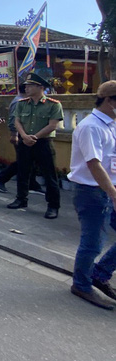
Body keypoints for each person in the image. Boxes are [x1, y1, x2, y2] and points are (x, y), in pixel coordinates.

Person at [67, 80, 116, 310]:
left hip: (108, 190)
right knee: (93, 243)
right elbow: (94, 164)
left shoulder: (111, 125)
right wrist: (113, 193)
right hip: (92, 192)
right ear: (109, 101)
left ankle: (100, 273)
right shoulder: (91, 127)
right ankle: (81, 285)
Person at [7, 72, 63, 219]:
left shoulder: (53, 105)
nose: (27, 88)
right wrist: (24, 136)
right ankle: (21, 199)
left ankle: (53, 205)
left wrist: (35, 137)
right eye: (26, 85)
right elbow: (17, 121)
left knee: (49, 175)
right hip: (25, 142)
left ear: (41, 87)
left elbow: (52, 125)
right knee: (23, 171)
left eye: (30, 85)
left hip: (43, 142)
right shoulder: (22, 103)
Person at [0, 83, 42, 195]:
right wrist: (14, 134)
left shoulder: (27, 101)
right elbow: (13, 119)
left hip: (28, 134)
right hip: (21, 134)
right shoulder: (18, 102)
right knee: (23, 159)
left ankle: (32, 184)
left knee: (31, 159)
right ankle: (1, 178)